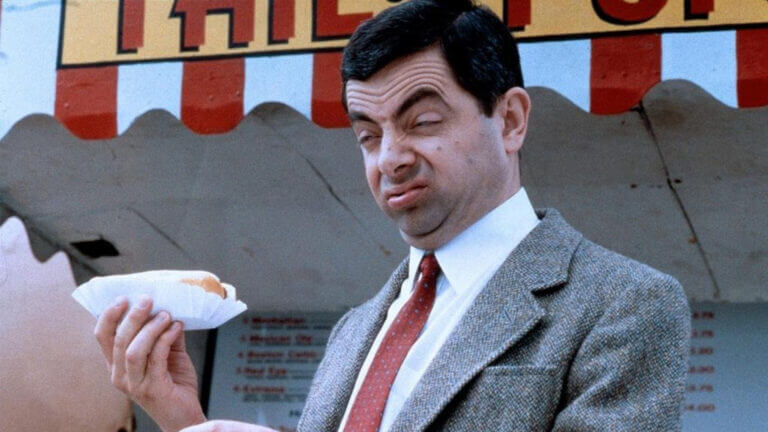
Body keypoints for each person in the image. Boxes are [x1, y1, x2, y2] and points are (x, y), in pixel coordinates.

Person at [94, 1, 691, 431]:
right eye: (368, 136)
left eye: (422, 122)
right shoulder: (353, 330)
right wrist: (185, 420)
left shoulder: (627, 304)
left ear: (510, 120)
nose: (390, 159)